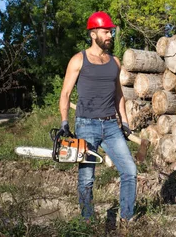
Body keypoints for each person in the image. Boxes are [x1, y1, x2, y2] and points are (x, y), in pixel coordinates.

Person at [58, 11, 137, 226]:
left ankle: (126, 220)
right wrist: (65, 123)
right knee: (86, 178)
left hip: (112, 125)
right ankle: (87, 221)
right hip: (86, 125)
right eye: (106, 31)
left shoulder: (115, 61)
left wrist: (126, 123)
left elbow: (118, 94)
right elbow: (65, 94)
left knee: (130, 171)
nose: (110, 35)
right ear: (93, 34)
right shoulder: (78, 60)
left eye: (111, 31)